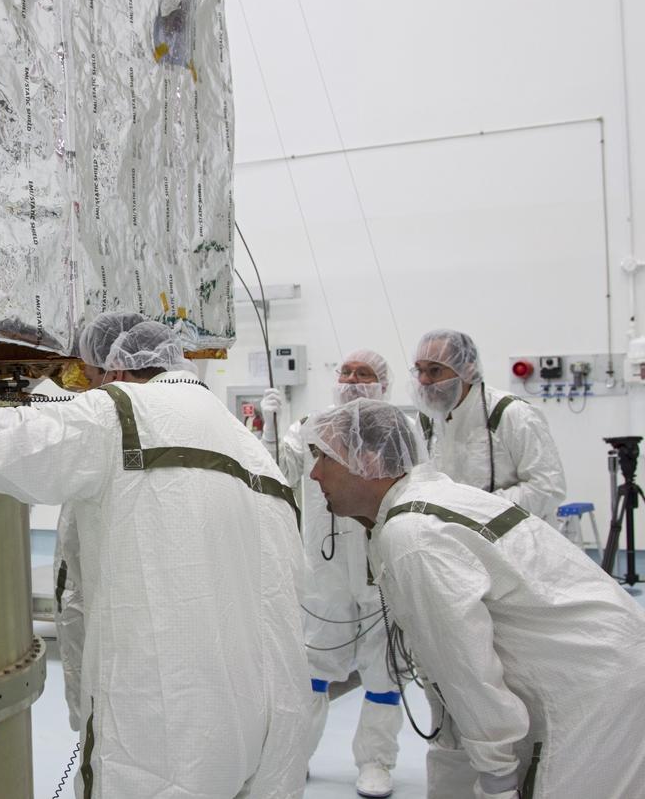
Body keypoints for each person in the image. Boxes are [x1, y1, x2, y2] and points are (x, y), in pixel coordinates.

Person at [0, 312, 312, 798]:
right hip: (274, 714)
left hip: (173, 718)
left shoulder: (122, 413)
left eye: (88, 378)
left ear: (114, 372)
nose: (88, 389)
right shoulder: (245, 442)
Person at [304, 399, 645, 799]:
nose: (313, 474)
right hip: (611, 660)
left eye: (323, 457)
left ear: (366, 459)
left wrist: (497, 775)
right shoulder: (434, 497)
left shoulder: (413, 537)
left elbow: (468, 670)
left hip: (589, 690)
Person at [261, 351, 411, 798]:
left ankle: (375, 762)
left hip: (380, 568)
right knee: (311, 669)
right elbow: (278, 473)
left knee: (384, 671)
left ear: (383, 384)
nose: (351, 380)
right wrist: (270, 427)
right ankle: (295, 756)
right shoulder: (310, 426)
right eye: (345, 372)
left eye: (363, 374)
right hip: (323, 574)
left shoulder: (397, 432)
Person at [410, 330, 565, 525]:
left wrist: (478, 508)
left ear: (467, 370)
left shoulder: (512, 413)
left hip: (515, 539)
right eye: (419, 370)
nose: (423, 380)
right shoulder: (426, 420)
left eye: (435, 370)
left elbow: (548, 488)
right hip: (452, 540)